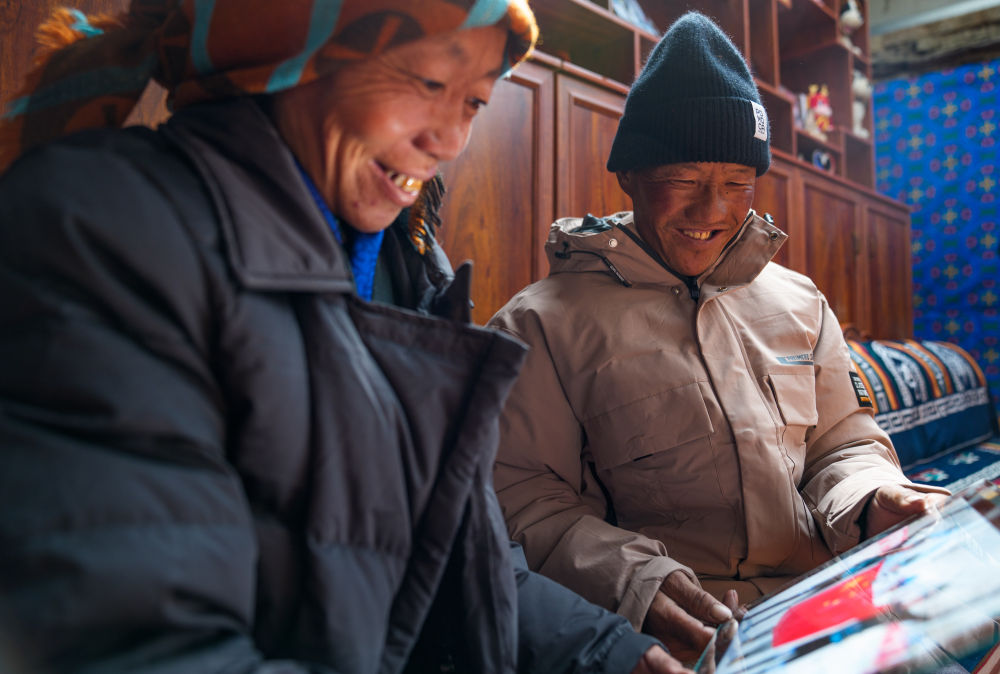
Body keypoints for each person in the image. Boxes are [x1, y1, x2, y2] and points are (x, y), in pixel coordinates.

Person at [0, 2, 688, 672]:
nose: (450, 141)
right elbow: (138, 641)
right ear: (296, 50)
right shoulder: (103, 228)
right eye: (429, 83)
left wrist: (611, 653)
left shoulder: (403, 263)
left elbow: (456, 555)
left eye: (475, 101)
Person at [488, 11, 950, 666]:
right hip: (679, 636)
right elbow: (522, 499)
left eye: (737, 183)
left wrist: (875, 497)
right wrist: (635, 582)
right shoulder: (540, 326)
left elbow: (840, 442)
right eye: (684, 180)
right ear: (630, 174)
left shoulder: (800, 300)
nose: (713, 211)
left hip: (826, 603)